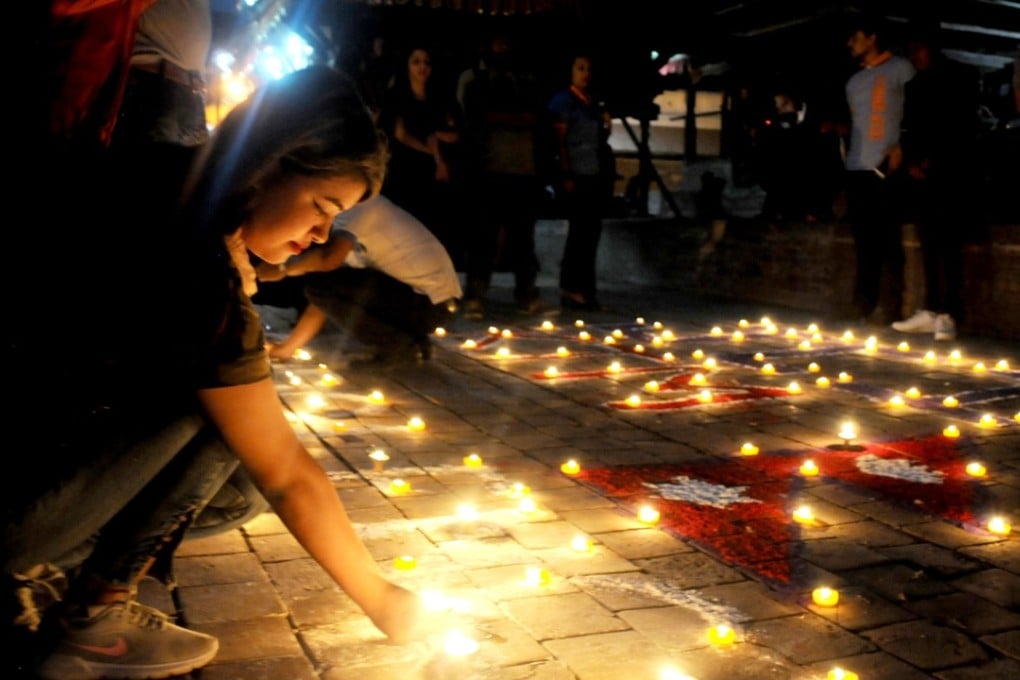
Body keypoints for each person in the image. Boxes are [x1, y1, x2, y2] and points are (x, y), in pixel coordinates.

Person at [5, 66, 427, 679]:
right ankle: (95, 614)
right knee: (233, 417)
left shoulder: (146, 173)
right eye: (322, 208)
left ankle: (59, 579)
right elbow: (287, 474)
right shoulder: (199, 274)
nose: (319, 235)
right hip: (17, 510)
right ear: (270, 163)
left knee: (236, 452)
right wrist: (382, 599)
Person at [255, 194, 462, 368]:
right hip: (434, 306)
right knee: (324, 286)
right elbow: (322, 300)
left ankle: (398, 348)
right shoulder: (350, 223)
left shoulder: (359, 207)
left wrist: (283, 268)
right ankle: (413, 343)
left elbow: (327, 261)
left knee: (322, 284)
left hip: (430, 305)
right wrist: (287, 349)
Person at [890, 24, 980, 342]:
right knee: (928, 244)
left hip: (951, 175)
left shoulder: (960, 78)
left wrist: (936, 158)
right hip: (923, 178)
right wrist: (913, 161)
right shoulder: (915, 86)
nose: (915, 57)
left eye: (919, 50)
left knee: (950, 246)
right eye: (911, 52)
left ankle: (949, 314)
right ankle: (930, 309)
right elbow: (911, 128)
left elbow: (963, 127)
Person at [459, 32, 546, 319]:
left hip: (523, 170)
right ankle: (476, 295)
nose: (503, 46)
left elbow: (535, 115)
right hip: (490, 170)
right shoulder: (477, 80)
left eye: (506, 42)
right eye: (497, 41)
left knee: (523, 238)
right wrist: (509, 118)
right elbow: (477, 115)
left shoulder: (524, 80)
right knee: (483, 237)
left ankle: (526, 293)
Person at [840, 14, 915, 324]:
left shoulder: (901, 69)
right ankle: (863, 304)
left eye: (855, 37)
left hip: (887, 168)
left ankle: (892, 306)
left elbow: (916, 109)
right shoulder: (853, 81)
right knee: (863, 241)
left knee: (889, 241)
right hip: (857, 167)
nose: (850, 44)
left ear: (872, 38)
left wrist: (903, 146)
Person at [378, 43, 465, 259]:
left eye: (426, 62)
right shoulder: (395, 97)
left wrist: (439, 142)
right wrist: (433, 153)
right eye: (416, 62)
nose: (422, 67)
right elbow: (400, 135)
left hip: (434, 176)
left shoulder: (441, 98)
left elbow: (457, 131)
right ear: (407, 66)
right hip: (405, 171)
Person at [548, 50, 615, 312]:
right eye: (580, 68)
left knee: (590, 233)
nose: (585, 74)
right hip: (575, 173)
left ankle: (586, 290)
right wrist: (565, 173)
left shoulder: (591, 103)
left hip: (594, 173)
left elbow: (595, 141)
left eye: (588, 69)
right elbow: (560, 140)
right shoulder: (564, 101)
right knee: (578, 233)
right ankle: (571, 288)